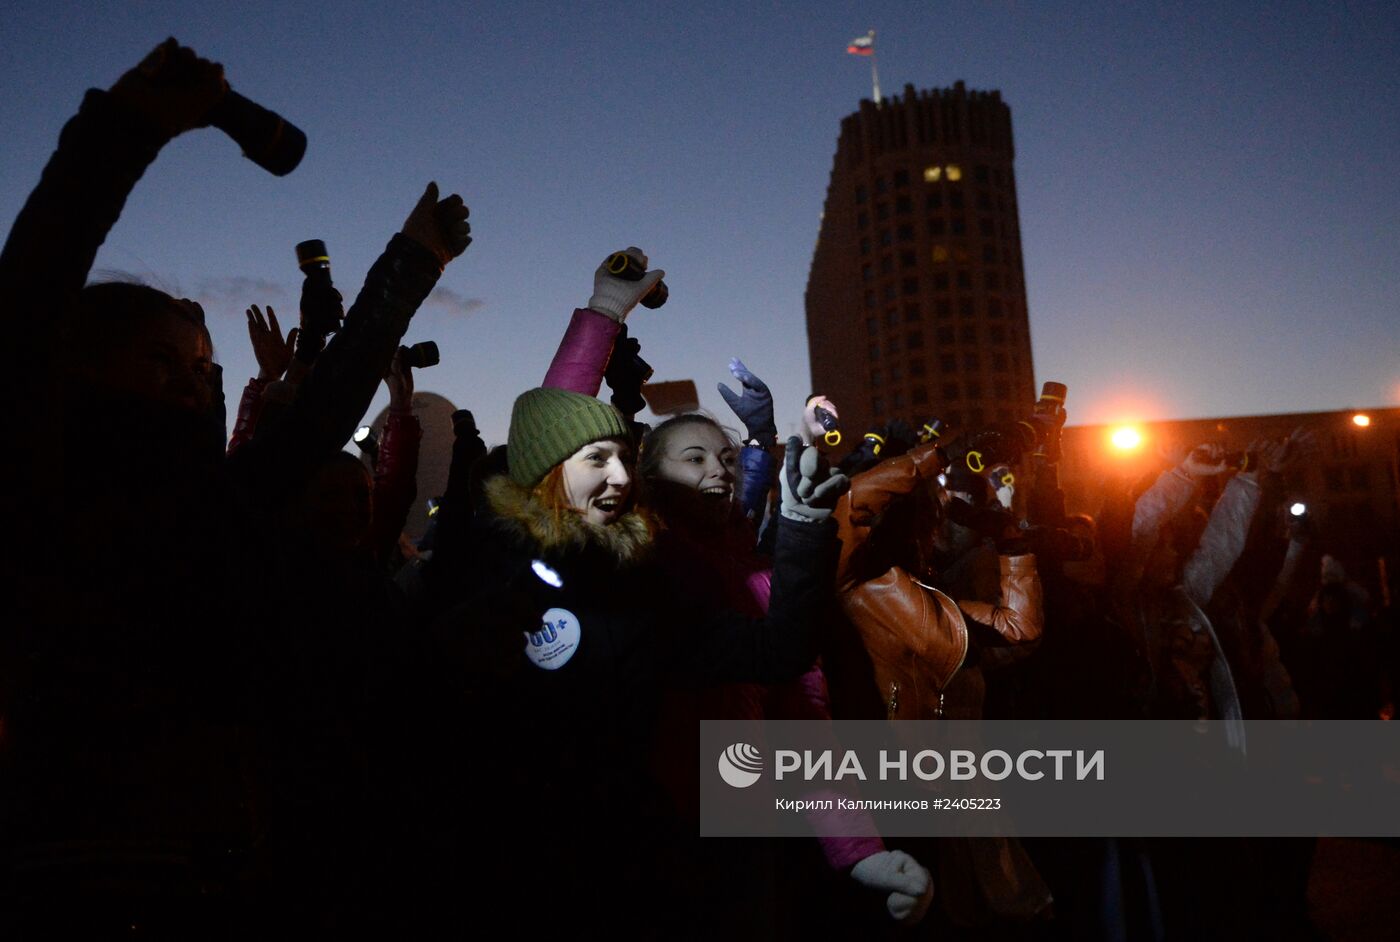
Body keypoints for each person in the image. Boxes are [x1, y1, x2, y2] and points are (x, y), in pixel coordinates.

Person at [0, 38, 471, 934]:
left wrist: (411, 266)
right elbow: (32, 283)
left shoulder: (218, 500)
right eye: (159, 362)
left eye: (200, 368)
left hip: (223, 865)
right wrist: (131, 122)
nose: (187, 384)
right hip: (70, 873)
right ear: (76, 362)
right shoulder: (37, 476)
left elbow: (325, 411)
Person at [641, 363, 934, 931]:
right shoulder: (636, 567)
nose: (718, 472)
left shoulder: (758, 576)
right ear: (649, 477)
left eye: (724, 459)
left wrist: (860, 850)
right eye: (694, 459)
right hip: (650, 833)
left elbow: (803, 720)